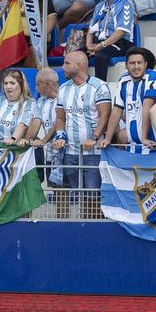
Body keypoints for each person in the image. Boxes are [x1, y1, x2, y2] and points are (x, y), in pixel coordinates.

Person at [51, 49, 110, 215]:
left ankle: (93, 231)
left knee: (92, 195)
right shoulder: (63, 89)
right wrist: (60, 135)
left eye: (67, 63)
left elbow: (105, 115)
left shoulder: (99, 86)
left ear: (79, 65)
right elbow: (60, 118)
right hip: (69, 151)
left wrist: (94, 138)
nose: (62, 67)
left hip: (93, 152)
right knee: (66, 191)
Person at [103, 47, 156, 150]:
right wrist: (107, 139)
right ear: (126, 65)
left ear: (145, 64)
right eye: (132, 63)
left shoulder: (153, 77)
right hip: (132, 145)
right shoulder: (123, 80)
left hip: (152, 143)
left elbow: (147, 107)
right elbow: (117, 110)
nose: (136, 66)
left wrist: (144, 138)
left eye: (139, 63)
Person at [83, 0, 136, 79]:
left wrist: (101, 45)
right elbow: (90, 29)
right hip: (99, 42)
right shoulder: (100, 5)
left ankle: (100, 88)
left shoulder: (125, 5)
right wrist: (89, 44)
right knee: (76, 56)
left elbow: (120, 32)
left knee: (101, 55)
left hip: (120, 43)